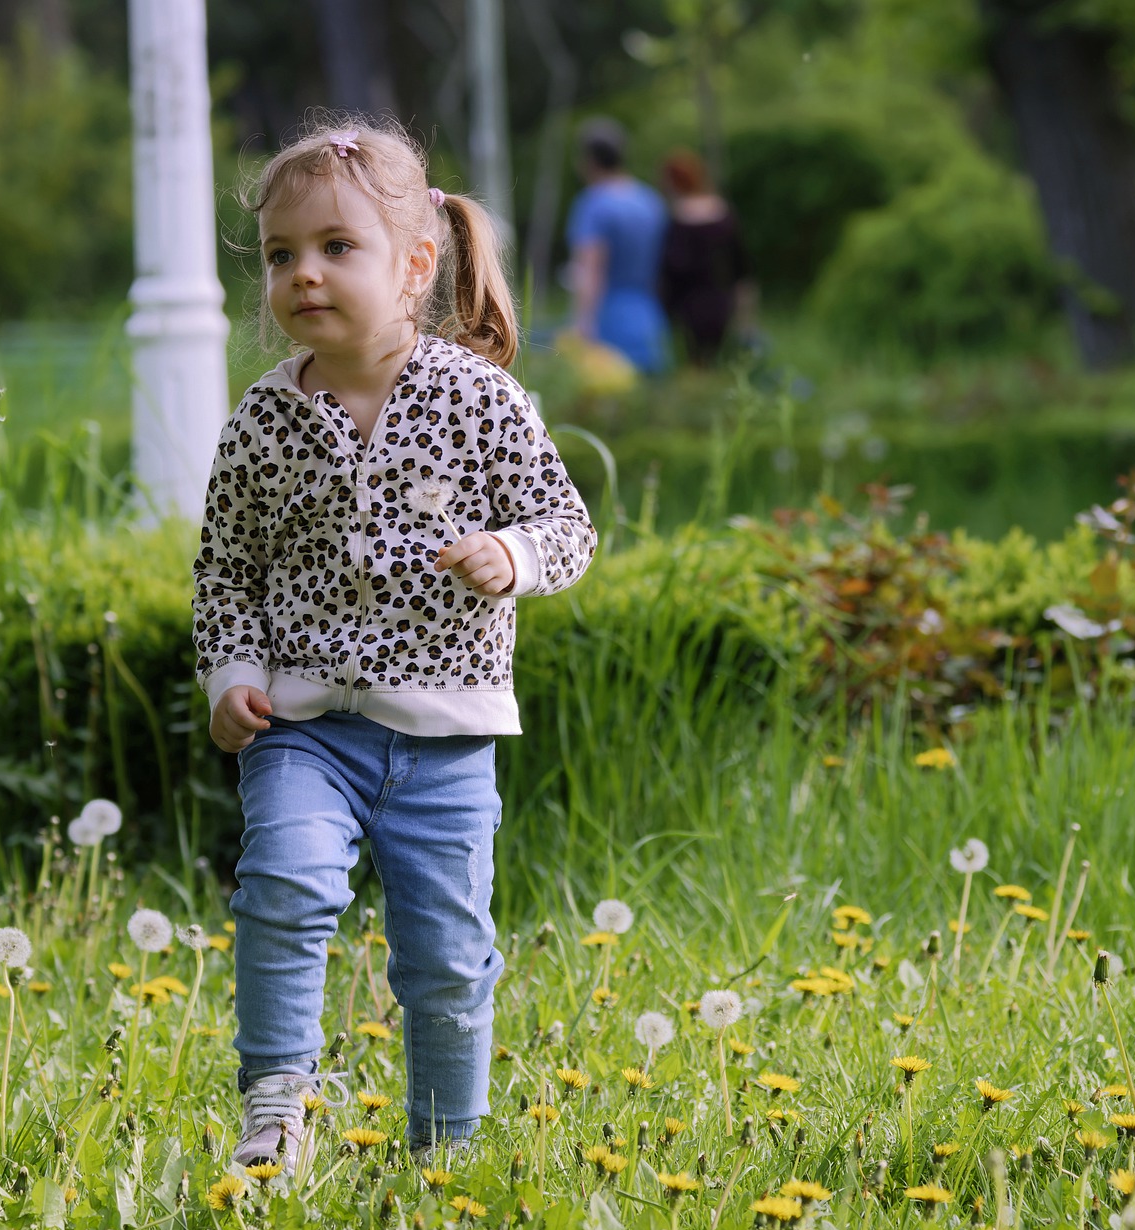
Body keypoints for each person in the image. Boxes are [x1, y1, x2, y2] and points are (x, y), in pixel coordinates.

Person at [190, 117, 596, 1168]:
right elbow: (225, 567)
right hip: (303, 723)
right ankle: (277, 1107)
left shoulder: (479, 400)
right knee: (282, 882)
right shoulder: (261, 422)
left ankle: (441, 1151)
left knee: (448, 957)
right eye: (282, 255)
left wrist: (512, 550)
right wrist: (232, 670)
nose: (303, 274)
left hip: (443, 738)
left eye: (336, 247)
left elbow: (568, 526)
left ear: (417, 265)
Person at [564, 117, 670, 374]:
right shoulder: (650, 200)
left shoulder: (593, 204)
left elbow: (591, 269)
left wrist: (581, 323)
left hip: (608, 318)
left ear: (589, 160)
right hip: (650, 315)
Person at [658, 147, 753, 366]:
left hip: (687, 306)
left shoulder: (677, 220)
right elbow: (742, 267)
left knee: (692, 362)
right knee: (717, 361)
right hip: (721, 300)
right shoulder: (723, 213)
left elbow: (671, 268)